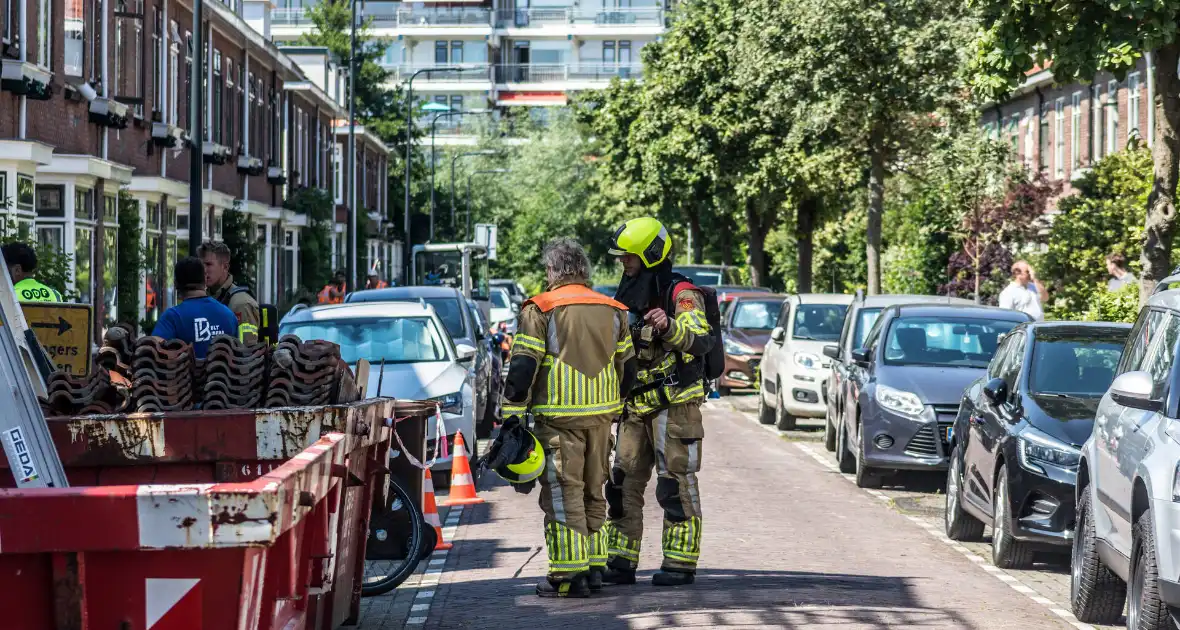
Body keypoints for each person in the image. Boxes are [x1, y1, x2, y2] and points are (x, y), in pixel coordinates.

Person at [500, 238, 636, 598]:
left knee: (563, 494)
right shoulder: (614, 309)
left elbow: (523, 367)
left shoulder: (540, 308)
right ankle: (594, 567)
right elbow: (629, 367)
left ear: (553, 271)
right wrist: (616, 406)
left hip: (559, 418)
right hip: (603, 419)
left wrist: (512, 416)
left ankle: (568, 575)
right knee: (595, 492)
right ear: (583, 270)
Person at [601, 217, 713, 588]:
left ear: (649, 255)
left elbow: (700, 339)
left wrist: (669, 326)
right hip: (635, 407)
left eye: (628, 257)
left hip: (674, 405)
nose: (623, 264)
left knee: (674, 485)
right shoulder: (630, 295)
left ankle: (680, 563)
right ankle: (619, 561)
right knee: (621, 484)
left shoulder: (681, 294)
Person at [152, 257, 239, 359]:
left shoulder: (172, 317)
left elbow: (153, 349)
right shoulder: (229, 315)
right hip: (222, 374)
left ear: (176, 284)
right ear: (205, 279)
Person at [197, 241, 260, 343]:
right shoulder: (204, 298)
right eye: (201, 264)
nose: (203, 270)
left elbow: (247, 351)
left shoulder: (241, 304)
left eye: (208, 264)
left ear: (225, 267)